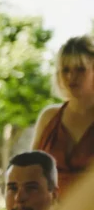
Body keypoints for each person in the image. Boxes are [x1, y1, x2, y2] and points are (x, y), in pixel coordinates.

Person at [32, 35, 94, 198]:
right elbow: (30, 175)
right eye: (65, 70)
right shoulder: (49, 118)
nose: (71, 77)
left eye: (80, 69)